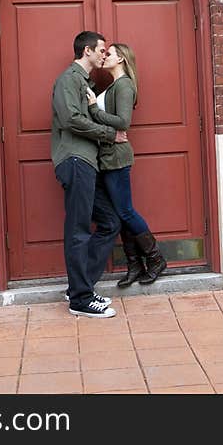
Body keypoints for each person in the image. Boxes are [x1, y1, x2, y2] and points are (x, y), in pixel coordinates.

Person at [51, 31, 128, 318]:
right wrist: (110, 134)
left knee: (109, 221)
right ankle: (80, 300)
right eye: (101, 50)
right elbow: (71, 119)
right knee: (78, 229)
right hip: (74, 160)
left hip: (88, 162)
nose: (103, 54)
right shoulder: (69, 79)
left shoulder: (85, 83)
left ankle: (79, 287)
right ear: (87, 51)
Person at [86, 43, 167, 288]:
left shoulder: (124, 85)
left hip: (117, 157)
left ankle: (155, 259)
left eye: (108, 53)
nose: (104, 56)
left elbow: (123, 122)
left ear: (120, 58)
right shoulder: (112, 85)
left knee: (126, 212)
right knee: (119, 215)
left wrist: (92, 109)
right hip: (107, 157)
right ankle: (134, 266)